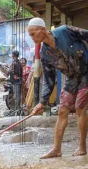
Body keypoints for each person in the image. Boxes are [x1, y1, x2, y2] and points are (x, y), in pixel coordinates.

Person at [28, 17, 88, 159]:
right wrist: (42, 102)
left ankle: (82, 147)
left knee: (80, 107)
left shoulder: (65, 31)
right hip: (72, 77)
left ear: (43, 29)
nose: (31, 38)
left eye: (33, 34)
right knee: (62, 110)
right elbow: (49, 79)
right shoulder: (45, 54)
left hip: (86, 71)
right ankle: (56, 149)